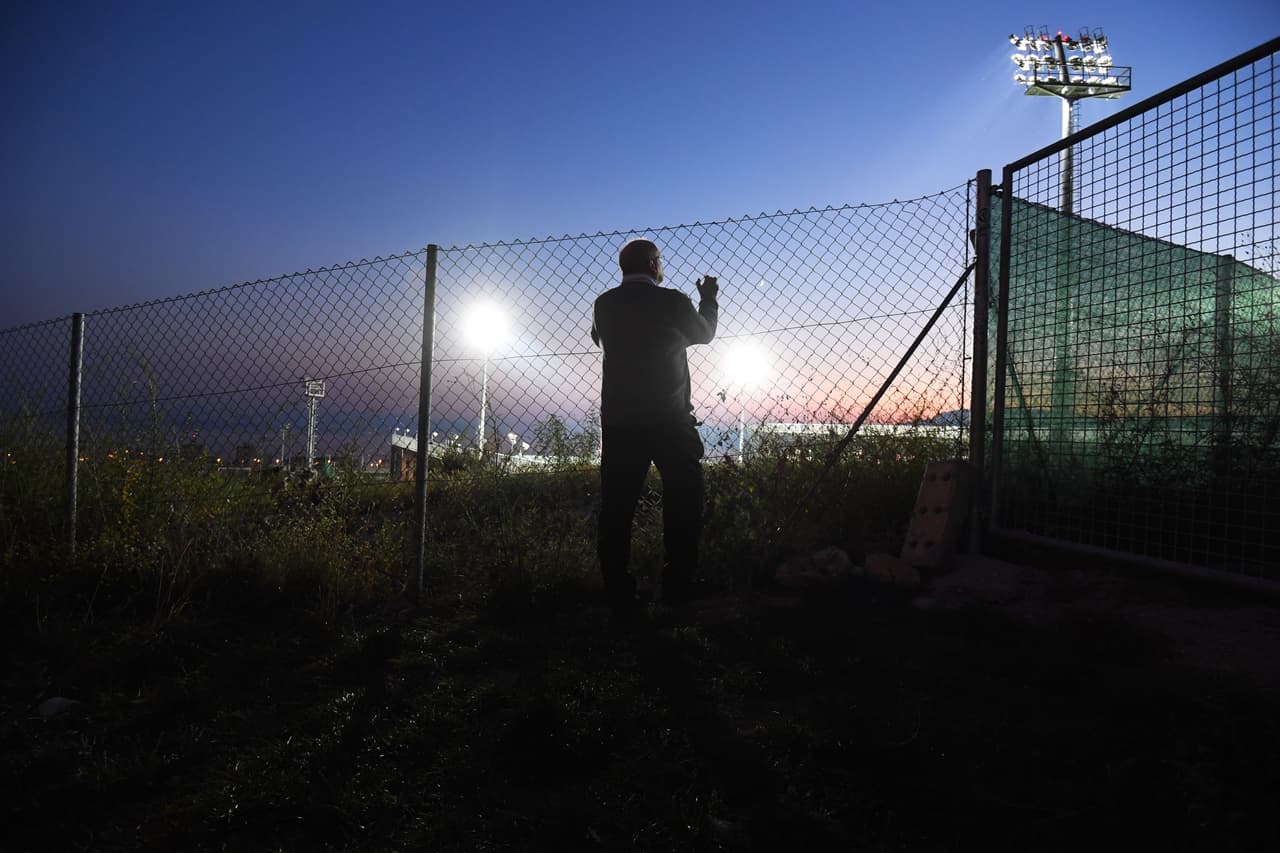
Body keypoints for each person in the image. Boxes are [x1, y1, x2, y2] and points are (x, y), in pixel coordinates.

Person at [590, 238, 719, 616]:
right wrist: (708, 298)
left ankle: (618, 591)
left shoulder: (604, 303)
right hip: (669, 419)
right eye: (659, 260)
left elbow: (600, 338)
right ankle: (677, 585)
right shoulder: (673, 302)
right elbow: (705, 333)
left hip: (621, 421)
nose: (661, 266)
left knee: (616, 508)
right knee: (683, 501)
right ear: (651, 264)